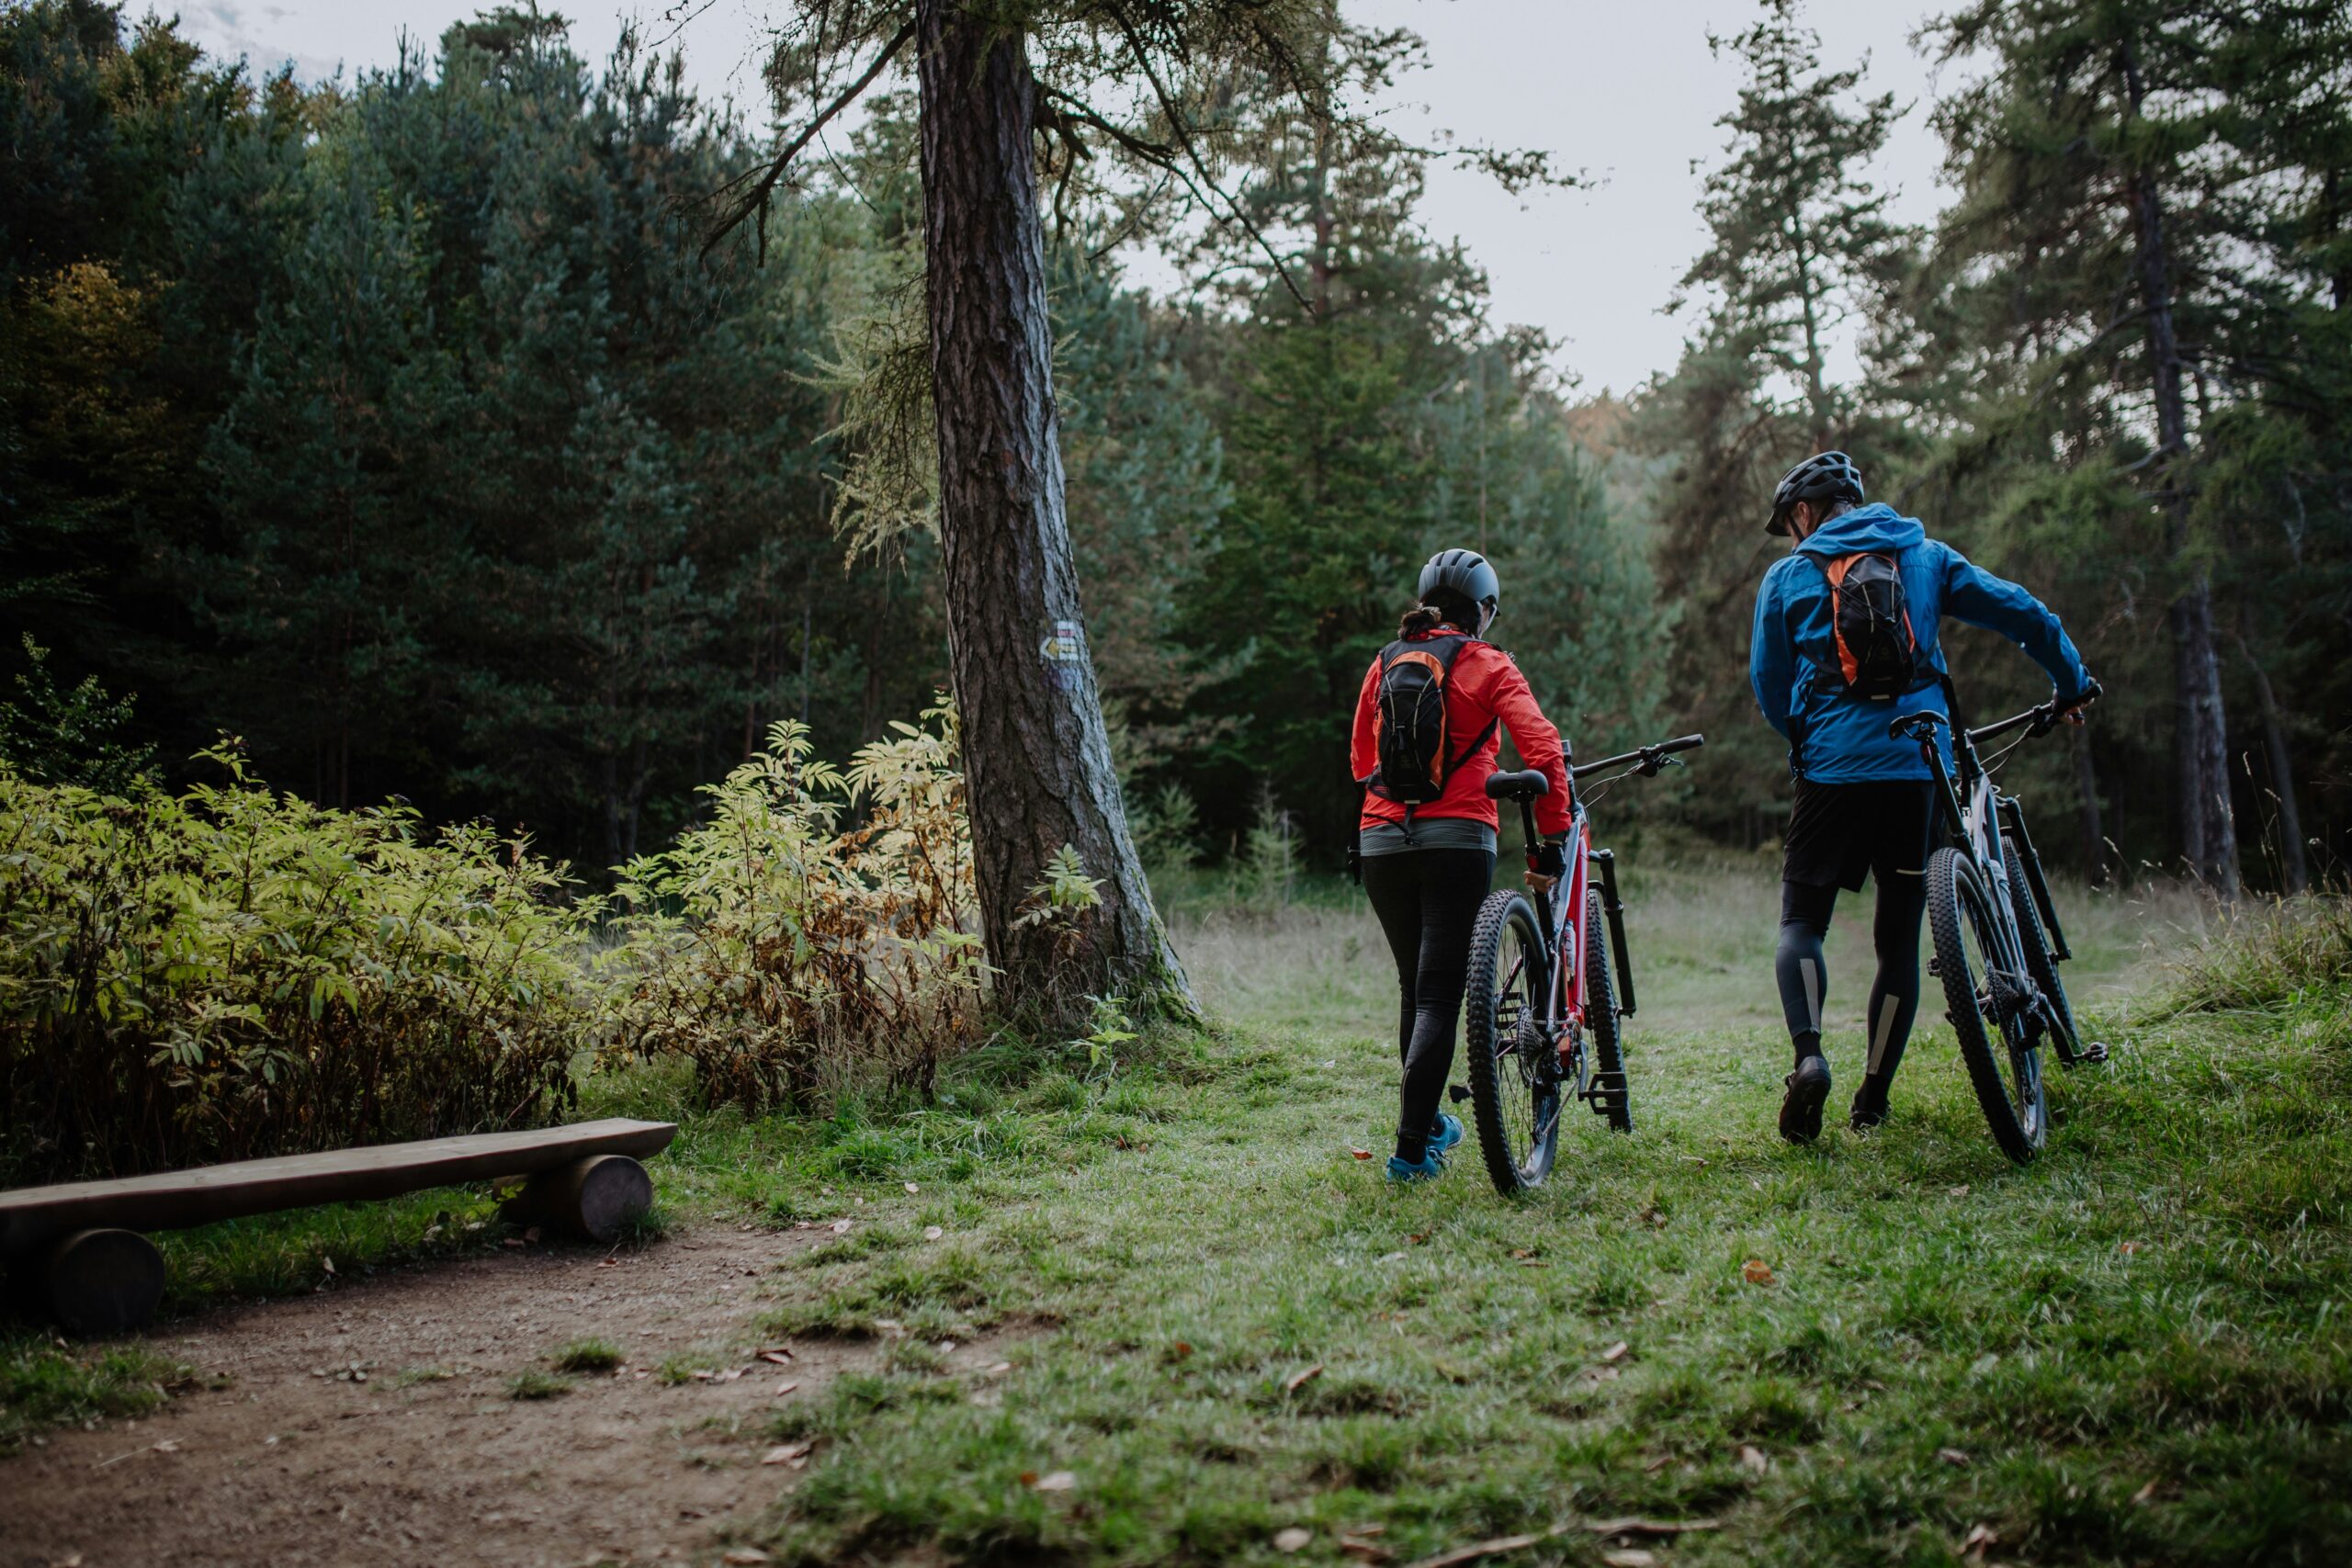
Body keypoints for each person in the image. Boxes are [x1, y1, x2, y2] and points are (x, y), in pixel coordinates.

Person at [1749, 452, 2094, 1142]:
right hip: (1918, 766)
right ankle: (1873, 1097)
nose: (1793, 534)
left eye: (1792, 520)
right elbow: (2020, 612)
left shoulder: (1789, 576)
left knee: (1801, 925)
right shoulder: (1923, 555)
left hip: (1831, 773)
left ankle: (1810, 1056)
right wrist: (2070, 679)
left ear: (1807, 512)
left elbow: (1768, 681)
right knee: (1898, 940)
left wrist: (1811, 738)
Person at [1351, 549, 1574, 1181]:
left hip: (1381, 838)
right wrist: (1552, 833)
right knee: (1440, 993)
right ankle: (1411, 1149)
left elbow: (1360, 756)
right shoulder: (1488, 662)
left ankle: (1430, 1128)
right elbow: (1543, 750)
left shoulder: (1385, 661)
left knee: (1418, 990)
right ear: (1481, 610)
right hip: (1459, 837)